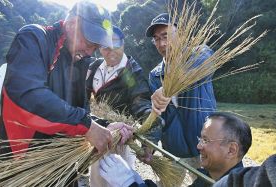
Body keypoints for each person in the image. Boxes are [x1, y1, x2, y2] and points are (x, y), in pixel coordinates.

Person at [0, 1, 134, 185]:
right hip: (25, 166)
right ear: (72, 24)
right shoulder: (34, 38)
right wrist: (87, 126)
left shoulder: (79, 62)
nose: (90, 51)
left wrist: (104, 125)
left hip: (63, 169)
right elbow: (28, 96)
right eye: (89, 42)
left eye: (96, 46)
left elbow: (77, 112)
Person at [142, 13, 217, 181]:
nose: (161, 44)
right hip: (173, 149)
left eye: (165, 36)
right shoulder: (155, 74)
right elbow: (158, 115)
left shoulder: (200, 54)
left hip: (204, 146)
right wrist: (149, 144)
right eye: (156, 39)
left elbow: (205, 66)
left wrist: (167, 88)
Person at [98, 112, 252, 187]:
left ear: (231, 150)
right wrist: (138, 181)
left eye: (206, 140)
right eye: (200, 139)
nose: (198, 146)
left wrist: (128, 184)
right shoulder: (208, 175)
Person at [85, 25, 153, 187]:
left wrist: (149, 138)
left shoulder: (132, 71)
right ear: (99, 48)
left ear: (123, 44)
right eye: (105, 47)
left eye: (116, 45)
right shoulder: (94, 67)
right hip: (96, 133)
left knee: (119, 181)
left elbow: (141, 103)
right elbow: (84, 96)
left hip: (119, 140)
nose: (111, 51)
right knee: (96, 179)